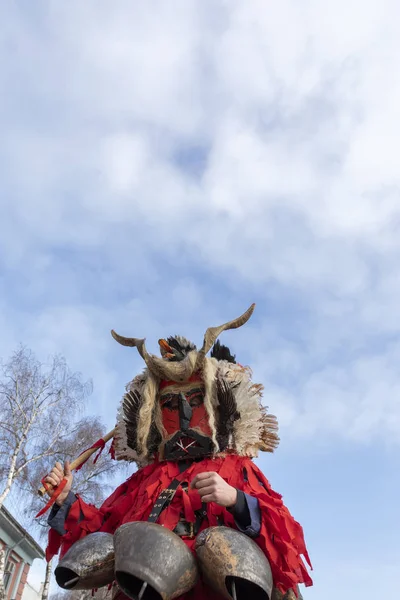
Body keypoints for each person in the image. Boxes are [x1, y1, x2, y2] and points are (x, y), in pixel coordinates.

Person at [45, 305, 312, 599]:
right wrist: (64, 501)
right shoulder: (144, 480)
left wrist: (236, 500)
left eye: (195, 401)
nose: (184, 418)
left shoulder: (237, 469)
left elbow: (282, 535)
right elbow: (104, 536)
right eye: (171, 406)